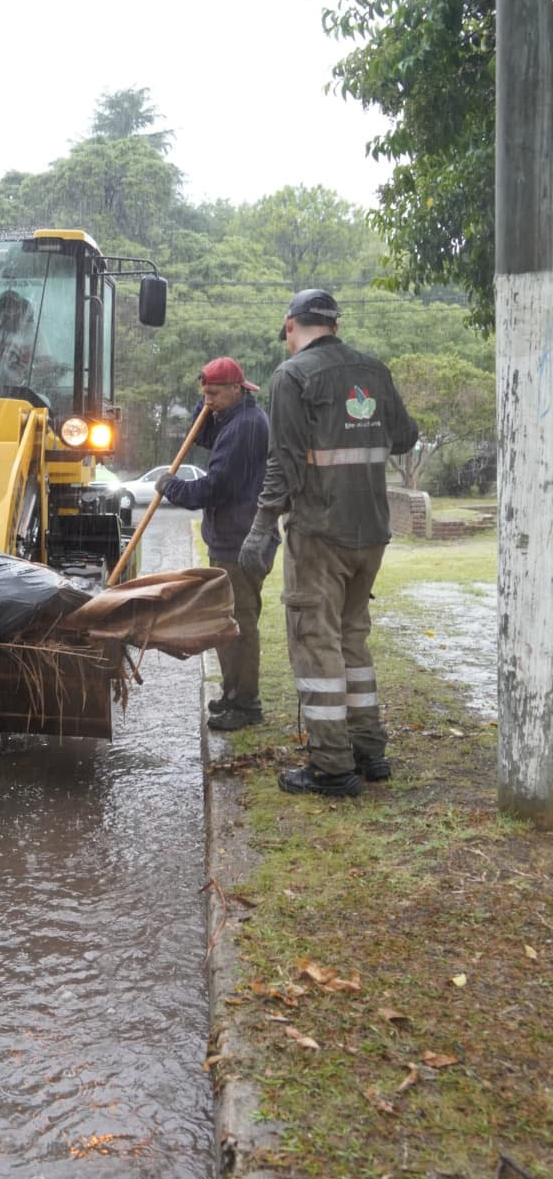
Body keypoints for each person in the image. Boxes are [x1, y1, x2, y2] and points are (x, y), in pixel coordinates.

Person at [239, 289, 419, 799]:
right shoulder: (375, 371)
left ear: (291, 326)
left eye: (287, 335)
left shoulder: (291, 376)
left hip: (321, 533)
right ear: (334, 327)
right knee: (352, 640)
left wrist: (261, 527)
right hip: (373, 533)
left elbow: (284, 462)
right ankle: (370, 751)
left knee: (317, 643)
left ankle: (332, 767)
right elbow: (404, 437)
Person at [156, 356, 276, 732]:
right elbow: (202, 433)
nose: (208, 401)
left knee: (239, 624)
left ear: (237, 390)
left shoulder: (247, 427)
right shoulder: (231, 418)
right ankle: (232, 694)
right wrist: (204, 401)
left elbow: (215, 487)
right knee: (227, 622)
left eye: (214, 394)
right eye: (203, 394)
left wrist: (171, 485)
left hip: (243, 544)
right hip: (228, 539)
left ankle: (246, 704)